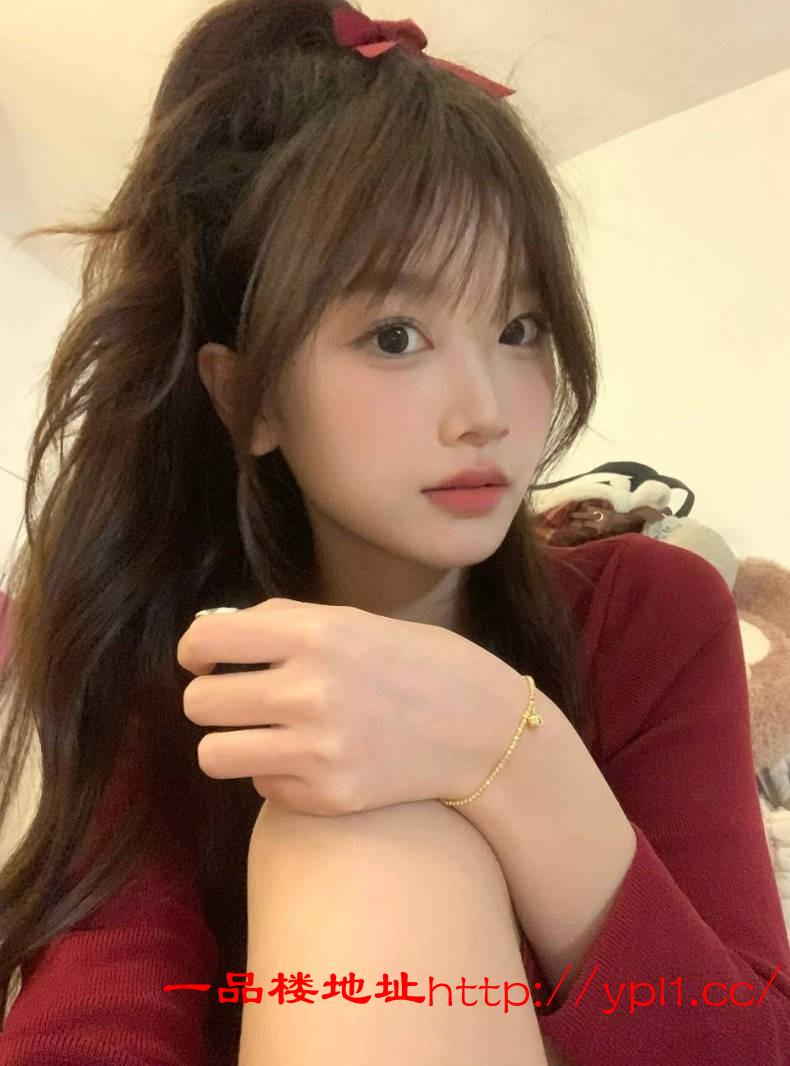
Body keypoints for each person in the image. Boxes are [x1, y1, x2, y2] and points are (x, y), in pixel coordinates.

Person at [1, 1, 788, 1063]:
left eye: (519, 328)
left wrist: (510, 750)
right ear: (246, 397)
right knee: (348, 813)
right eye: (395, 335)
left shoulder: (649, 608)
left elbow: (749, 1042)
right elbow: (103, 1005)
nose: (487, 411)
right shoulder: (175, 665)